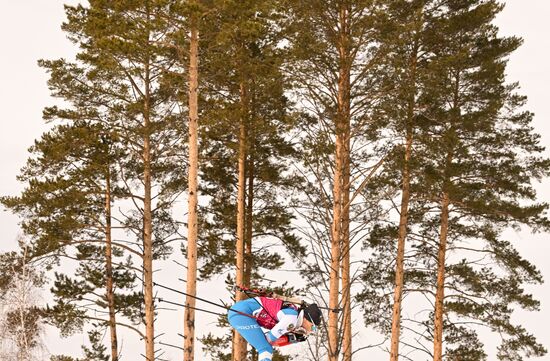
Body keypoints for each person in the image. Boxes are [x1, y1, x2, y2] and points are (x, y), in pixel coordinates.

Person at [228, 295, 322, 361]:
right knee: (265, 348)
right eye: (313, 327)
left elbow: (272, 339)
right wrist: (289, 339)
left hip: (240, 312)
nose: (310, 331)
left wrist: (291, 338)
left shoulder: (292, 313)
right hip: (241, 313)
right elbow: (269, 339)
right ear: (306, 319)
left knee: (265, 347)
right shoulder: (291, 319)